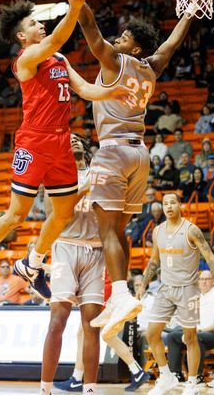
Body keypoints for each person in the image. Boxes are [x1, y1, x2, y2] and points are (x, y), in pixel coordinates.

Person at [0, 0, 133, 304]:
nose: (40, 25)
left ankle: (32, 264)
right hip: (33, 141)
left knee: (64, 214)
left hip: (61, 141)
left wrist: (114, 92)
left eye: (40, 22)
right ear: (21, 36)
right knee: (17, 215)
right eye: (33, 24)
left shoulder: (59, 58)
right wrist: (76, 5)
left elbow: (84, 89)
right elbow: (56, 38)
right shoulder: (26, 59)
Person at [44, 134, 150, 394]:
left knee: (91, 324)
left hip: (95, 250)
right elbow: (54, 214)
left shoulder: (101, 173)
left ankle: (89, 388)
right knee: (58, 318)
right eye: (68, 140)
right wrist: (84, 188)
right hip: (66, 246)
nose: (74, 141)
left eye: (78, 139)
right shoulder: (57, 174)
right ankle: (44, 388)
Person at [138, 193, 214, 395]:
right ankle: (166, 376)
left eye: (172, 203)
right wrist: (143, 284)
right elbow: (154, 260)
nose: (168, 206)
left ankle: (193, 382)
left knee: (189, 337)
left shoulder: (191, 229)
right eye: (165, 203)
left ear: (180, 205)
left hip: (188, 288)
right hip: (165, 288)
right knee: (152, 333)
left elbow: (210, 258)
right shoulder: (158, 231)